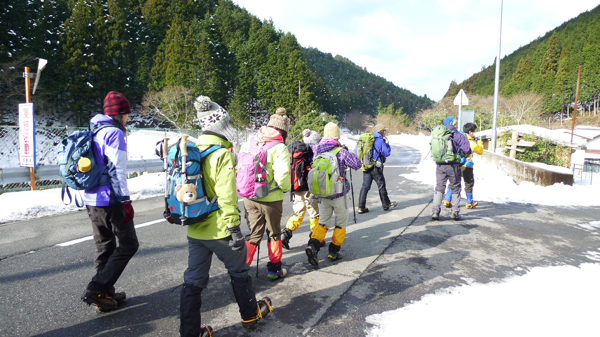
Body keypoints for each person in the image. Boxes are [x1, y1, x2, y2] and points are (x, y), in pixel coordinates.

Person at [180, 96, 272, 336]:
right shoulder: (221, 154)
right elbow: (227, 197)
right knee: (239, 271)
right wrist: (234, 229)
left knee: (193, 280)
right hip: (220, 230)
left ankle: (190, 332)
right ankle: (250, 315)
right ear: (221, 125)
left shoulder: (191, 151)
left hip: (195, 227)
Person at [80, 91, 139, 312]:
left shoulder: (93, 129)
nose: (128, 119)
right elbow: (116, 170)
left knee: (105, 246)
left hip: (90, 197)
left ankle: (104, 295)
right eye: (126, 115)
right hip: (110, 199)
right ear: (120, 114)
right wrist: (125, 201)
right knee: (129, 244)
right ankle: (96, 288)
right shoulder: (114, 133)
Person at [242, 107, 291, 280]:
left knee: (254, 234)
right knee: (274, 233)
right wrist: (285, 188)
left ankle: (240, 271)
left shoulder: (250, 142)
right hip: (271, 199)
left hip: (249, 196)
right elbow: (283, 176)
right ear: (283, 130)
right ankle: (274, 270)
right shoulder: (279, 147)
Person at [305, 122, 362, 266]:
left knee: (323, 222)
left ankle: (313, 245)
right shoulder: (341, 151)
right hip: (338, 193)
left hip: (322, 194)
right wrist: (347, 150)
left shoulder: (317, 150)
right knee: (341, 223)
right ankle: (334, 251)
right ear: (337, 136)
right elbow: (357, 164)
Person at [281, 129, 321, 250]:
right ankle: (315, 238)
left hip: (296, 187)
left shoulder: (296, 151)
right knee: (314, 214)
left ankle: (285, 235)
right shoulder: (314, 151)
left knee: (298, 212)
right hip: (309, 188)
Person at [431, 116, 472, 221]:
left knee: (439, 187)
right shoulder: (457, 134)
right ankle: (455, 212)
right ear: (453, 123)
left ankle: (435, 211)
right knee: (455, 187)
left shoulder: (439, 134)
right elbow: (467, 149)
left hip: (440, 165)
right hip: (453, 165)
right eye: (456, 123)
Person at [357, 124, 398, 213]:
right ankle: (386, 204)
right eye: (384, 131)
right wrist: (387, 144)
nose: (385, 132)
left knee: (365, 187)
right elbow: (386, 153)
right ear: (381, 131)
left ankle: (361, 207)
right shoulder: (380, 140)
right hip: (376, 167)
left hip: (367, 166)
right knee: (381, 185)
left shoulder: (369, 138)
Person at [443, 122, 484, 209]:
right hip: (467, 165)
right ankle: (469, 202)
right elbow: (479, 151)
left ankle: (447, 200)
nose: (474, 133)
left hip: (456, 163)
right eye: (473, 131)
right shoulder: (471, 142)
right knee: (468, 183)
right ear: (470, 131)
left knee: (453, 181)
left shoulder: (459, 137)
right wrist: (480, 143)